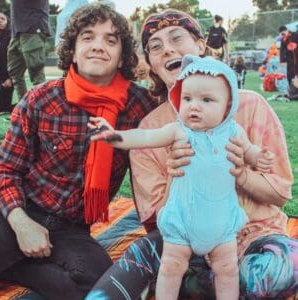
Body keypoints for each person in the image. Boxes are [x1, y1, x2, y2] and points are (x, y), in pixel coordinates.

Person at [87, 9, 295, 300]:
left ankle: (199, 284)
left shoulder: (250, 108)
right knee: (148, 252)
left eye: (176, 38)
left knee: (281, 269)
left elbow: (280, 195)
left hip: (254, 237)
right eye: (155, 46)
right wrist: (176, 175)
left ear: (200, 45)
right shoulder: (154, 128)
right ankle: (198, 280)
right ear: (151, 64)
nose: (167, 49)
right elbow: (157, 219)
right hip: (184, 240)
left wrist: (242, 173)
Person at [0, 4, 156, 300]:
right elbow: (5, 170)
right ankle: (18, 254)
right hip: (19, 211)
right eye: (87, 37)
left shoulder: (140, 105)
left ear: (123, 56)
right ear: (72, 49)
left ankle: (14, 267)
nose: (98, 46)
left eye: (111, 40)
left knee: (101, 286)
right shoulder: (40, 99)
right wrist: (21, 224)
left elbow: (182, 107)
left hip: (73, 229)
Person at [7, 0, 51, 100]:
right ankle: (23, 108)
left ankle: (41, 109)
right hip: (16, 33)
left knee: (36, 73)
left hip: (32, 30)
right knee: (15, 74)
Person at [0, 11, 13, 113]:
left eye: (2, 19)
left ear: (7, 22)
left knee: (2, 108)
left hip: (6, 75)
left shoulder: (10, 37)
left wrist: (8, 77)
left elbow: (10, 60)